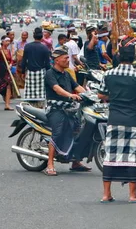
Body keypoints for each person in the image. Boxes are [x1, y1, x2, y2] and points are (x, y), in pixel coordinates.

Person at [97, 39, 136, 203]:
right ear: (134, 58)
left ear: (119, 56)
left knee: (110, 155)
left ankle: (106, 193)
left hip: (114, 119)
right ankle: (132, 194)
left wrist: (114, 96)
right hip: (132, 120)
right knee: (132, 156)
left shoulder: (109, 74)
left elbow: (101, 95)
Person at [43, 46, 88, 176]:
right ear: (57, 60)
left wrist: (91, 95)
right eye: (66, 58)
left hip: (69, 109)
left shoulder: (67, 74)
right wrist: (70, 95)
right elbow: (57, 89)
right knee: (57, 133)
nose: (68, 60)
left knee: (78, 131)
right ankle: (50, 163)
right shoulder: (50, 74)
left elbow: (78, 87)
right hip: (55, 109)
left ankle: (75, 161)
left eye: (68, 57)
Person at [22, 27, 51, 108]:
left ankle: (29, 108)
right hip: (40, 73)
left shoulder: (27, 46)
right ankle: (40, 108)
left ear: (33, 36)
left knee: (30, 92)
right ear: (42, 37)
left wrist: (22, 72)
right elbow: (47, 64)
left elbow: (24, 61)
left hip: (30, 72)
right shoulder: (44, 48)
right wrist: (49, 75)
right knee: (40, 93)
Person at [0, 36, 14, 111]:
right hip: (0, 70)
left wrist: (10, 65)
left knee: (8, 86)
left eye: (9, 41)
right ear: (3, 42)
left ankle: (7, 104)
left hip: (7, 70)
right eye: (6, 41)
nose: (8, 43)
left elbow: (11, 60)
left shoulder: (8, 50)